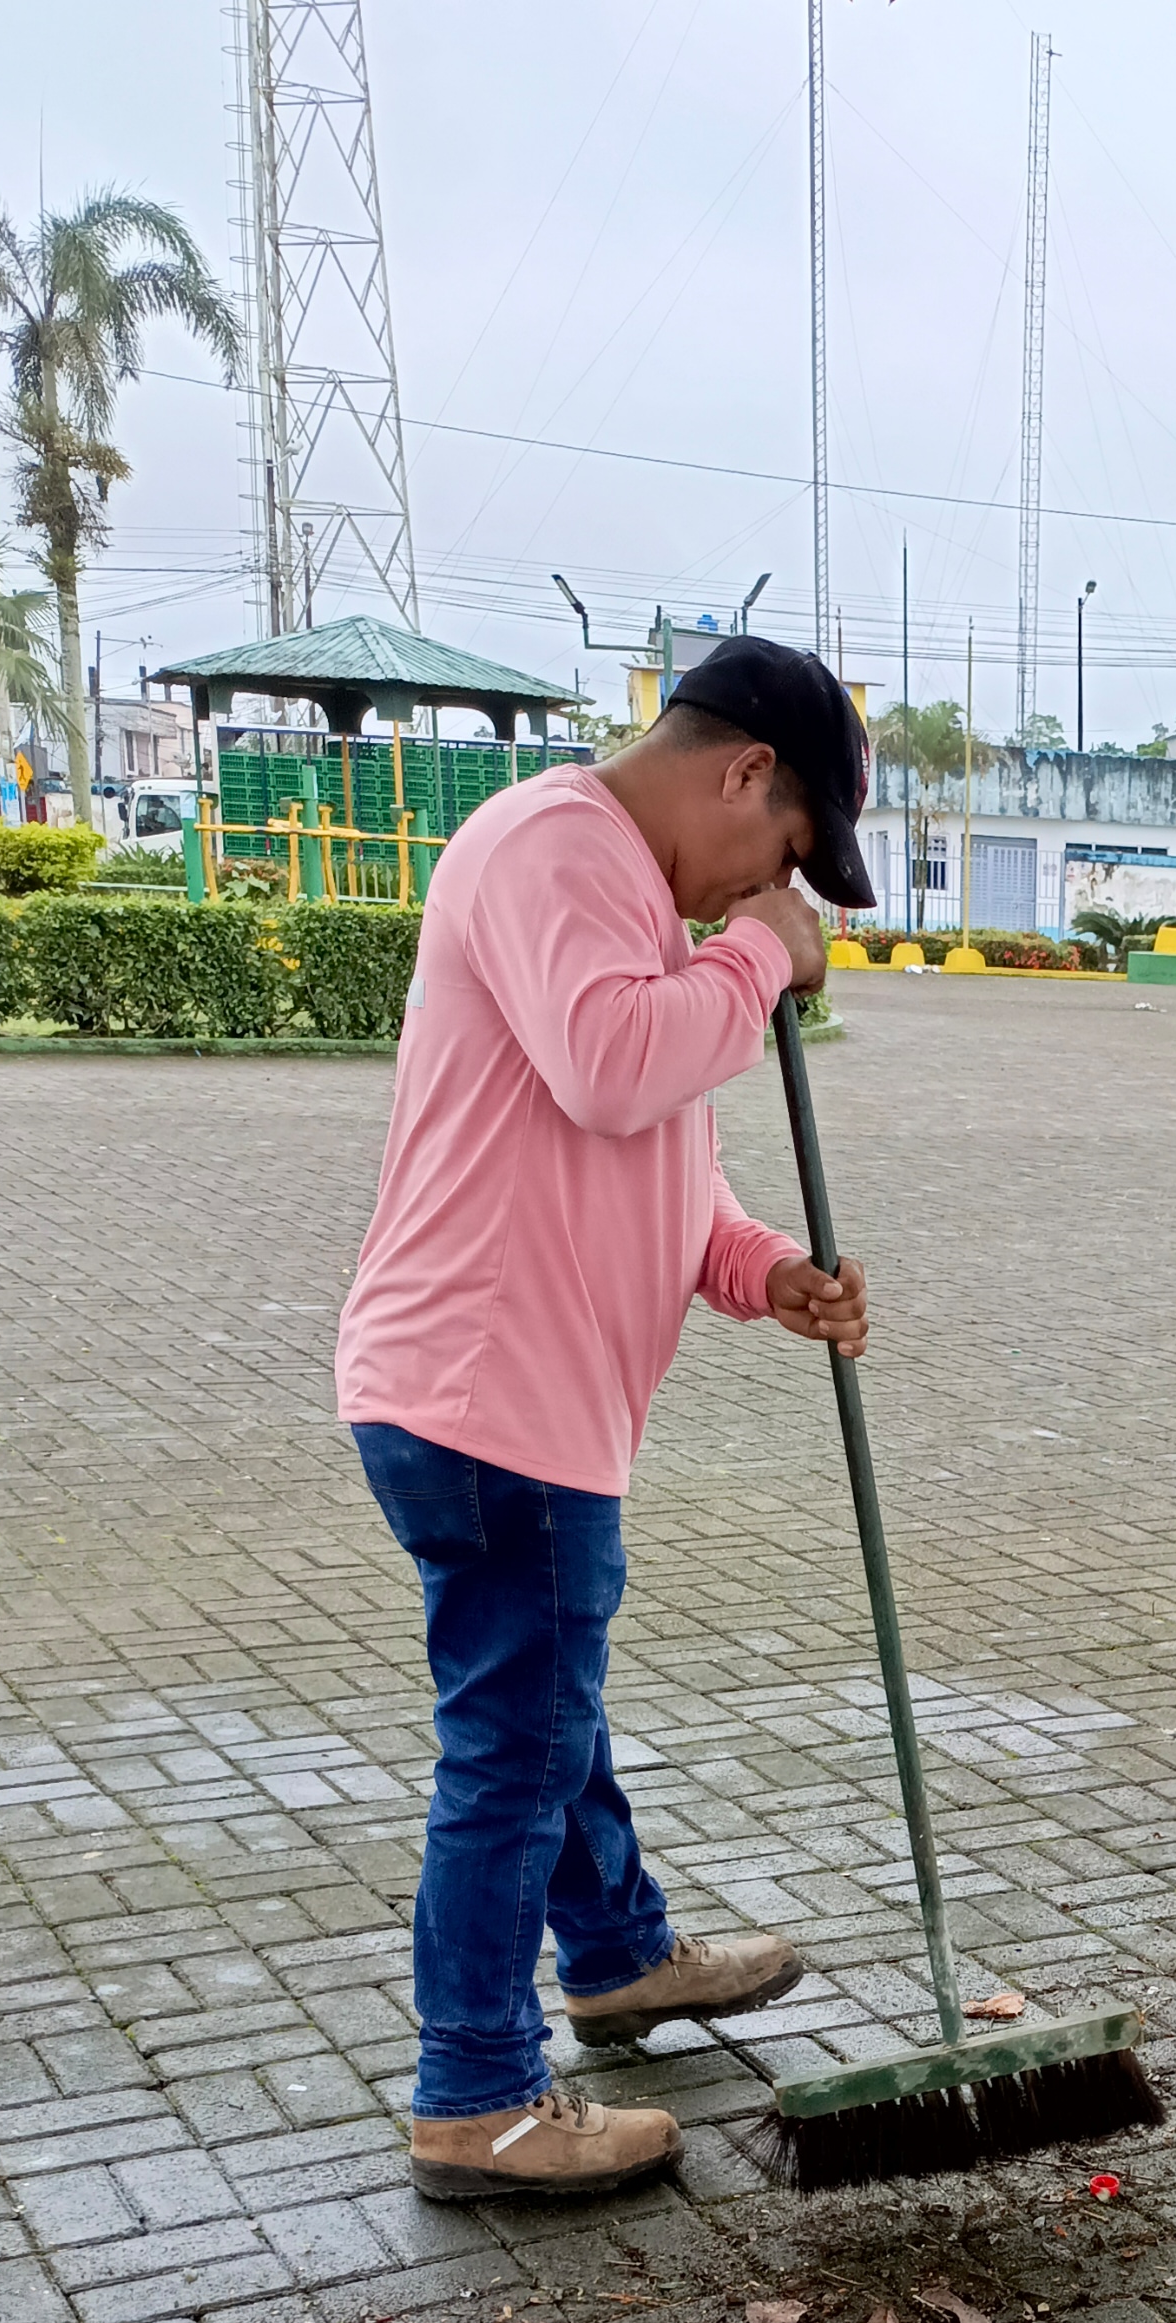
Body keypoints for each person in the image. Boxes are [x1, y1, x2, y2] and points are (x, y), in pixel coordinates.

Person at [336, 640, 877, 2203]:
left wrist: (768, 1270)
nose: (772, 889)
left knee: (545, 1710)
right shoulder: (555, 847)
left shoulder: (626, 896)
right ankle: (477, 2096)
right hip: (490, 1403)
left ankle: (621, 1955)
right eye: (785, 851)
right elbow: (613, 1068)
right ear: (743, 773)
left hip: (520, 1402)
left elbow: (665, 1169)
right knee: (514, 1747)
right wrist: (761, 956)